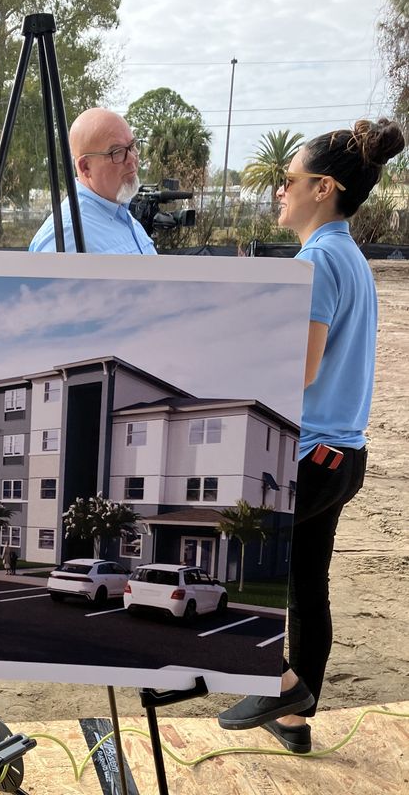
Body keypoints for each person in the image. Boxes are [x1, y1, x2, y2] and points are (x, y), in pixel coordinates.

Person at [218, 118, 405, 754]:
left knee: (228, 562)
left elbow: (299, 369)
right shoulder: (352, 257)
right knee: (306, 581)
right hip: (343, 454)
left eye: (288, 180)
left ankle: (284, 685)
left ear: (322, 188)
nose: (279, 190)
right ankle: (294, 717)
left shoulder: (318, 259)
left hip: (310, 452)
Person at [29, 108, 156, 255]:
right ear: (85, 167)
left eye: (132, 146)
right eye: (117, 152)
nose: (132, 158)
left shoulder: (121, 214)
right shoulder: (68, 235)